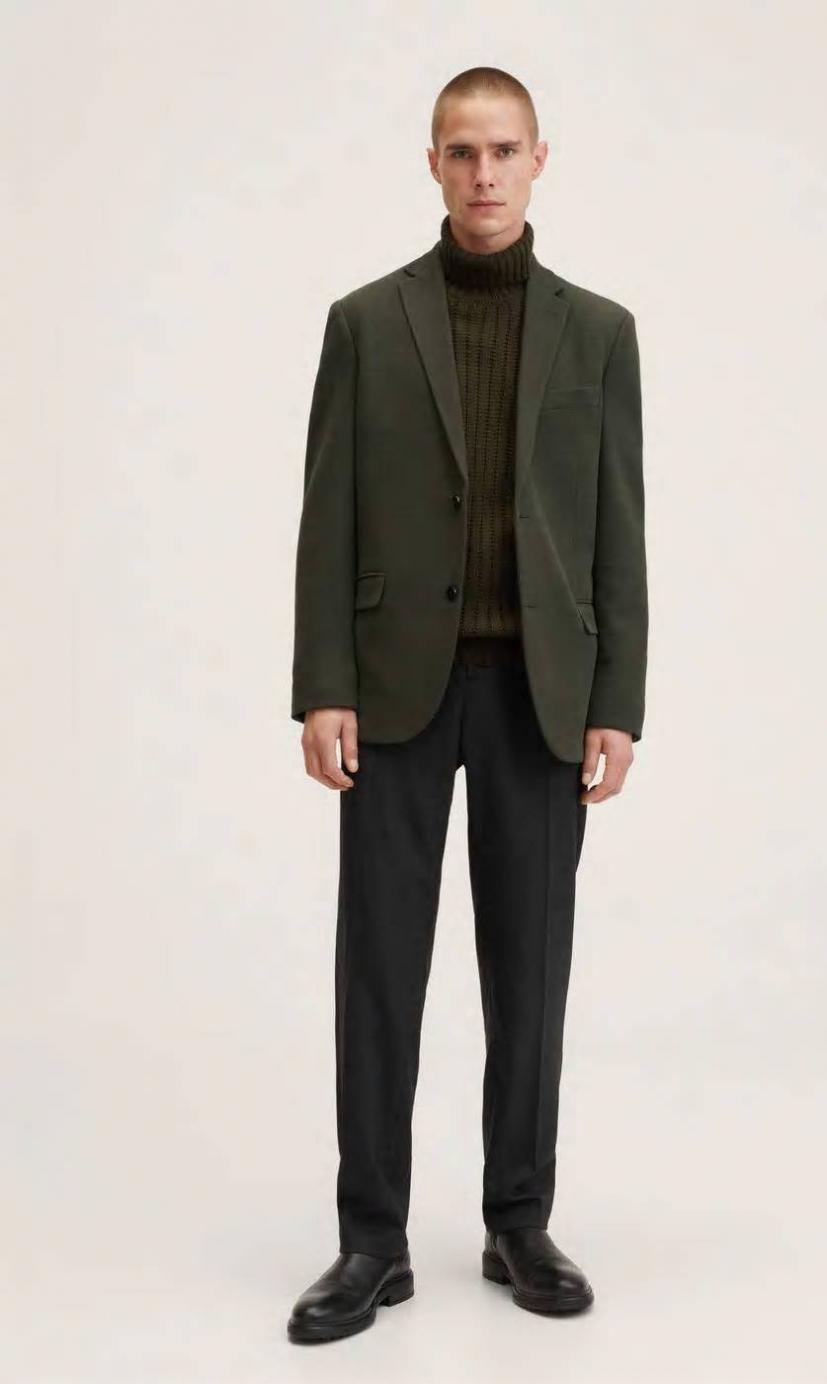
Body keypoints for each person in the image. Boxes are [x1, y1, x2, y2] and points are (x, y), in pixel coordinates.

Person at [286, 65, 648, 1343]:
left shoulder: (598, 332)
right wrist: (321, 683)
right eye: (460, 152)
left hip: (540, 690)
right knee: (378, 966)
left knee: (528, 967)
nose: (482, 173)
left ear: (539, 159)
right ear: (432, 163)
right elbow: (326, 510)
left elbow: (617, 525)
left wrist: (617, 698)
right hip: (393, 685)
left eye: (502, 150)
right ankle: (369, 1240)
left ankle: (517, 1219)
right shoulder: (365, 322)